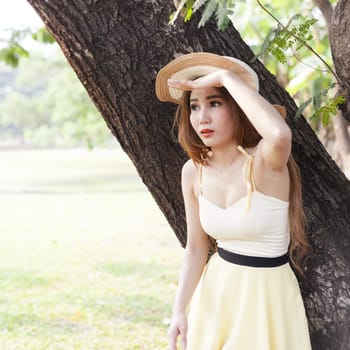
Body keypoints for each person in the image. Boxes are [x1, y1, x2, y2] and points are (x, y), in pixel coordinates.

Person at [155, 52, 311, 350]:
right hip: (218, 289)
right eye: (194, 106)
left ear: (238, 107)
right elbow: (197, 247)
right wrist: (179, 310)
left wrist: (225, 77)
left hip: (266, 296)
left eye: (215, 103)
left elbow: (279, 134)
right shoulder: (193, 171)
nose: (202, 117)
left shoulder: (266, 161)